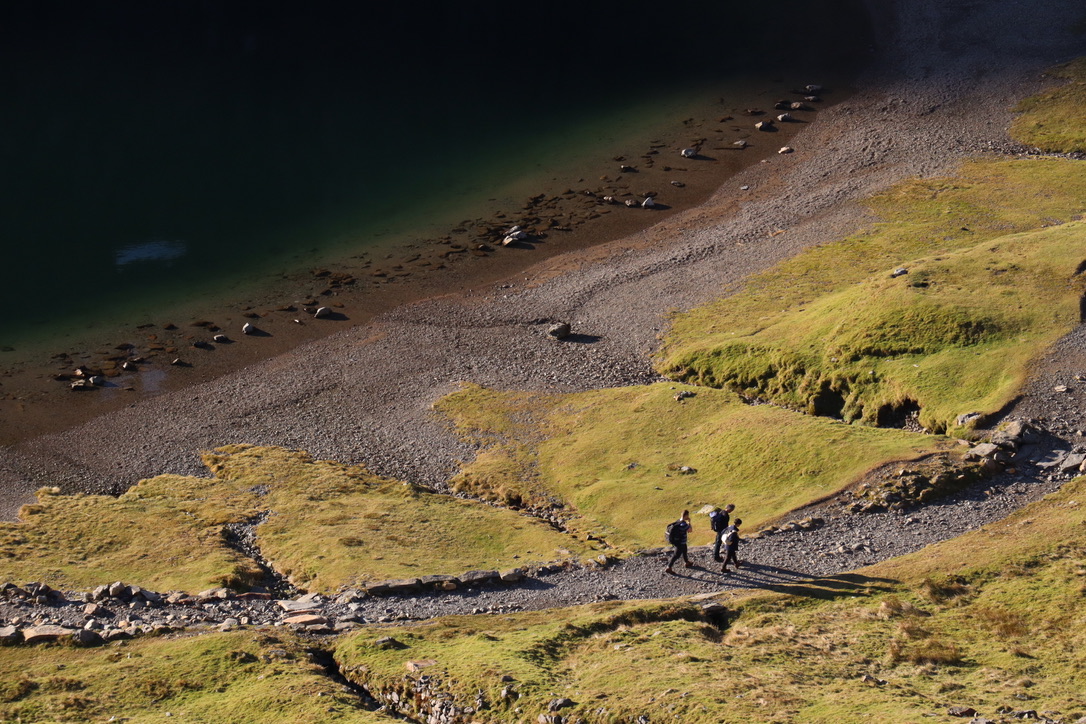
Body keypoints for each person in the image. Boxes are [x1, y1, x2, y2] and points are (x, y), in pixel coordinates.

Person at [664, 510, 694, 574]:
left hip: (678, 541)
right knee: (676, 555)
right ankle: (669, 567)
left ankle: (687, 562)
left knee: (685, 550)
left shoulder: (678, 521)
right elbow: (690, 530)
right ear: (686, 516)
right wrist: (689, 522)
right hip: (680, 542)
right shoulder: (684, 524)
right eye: (688, 515)